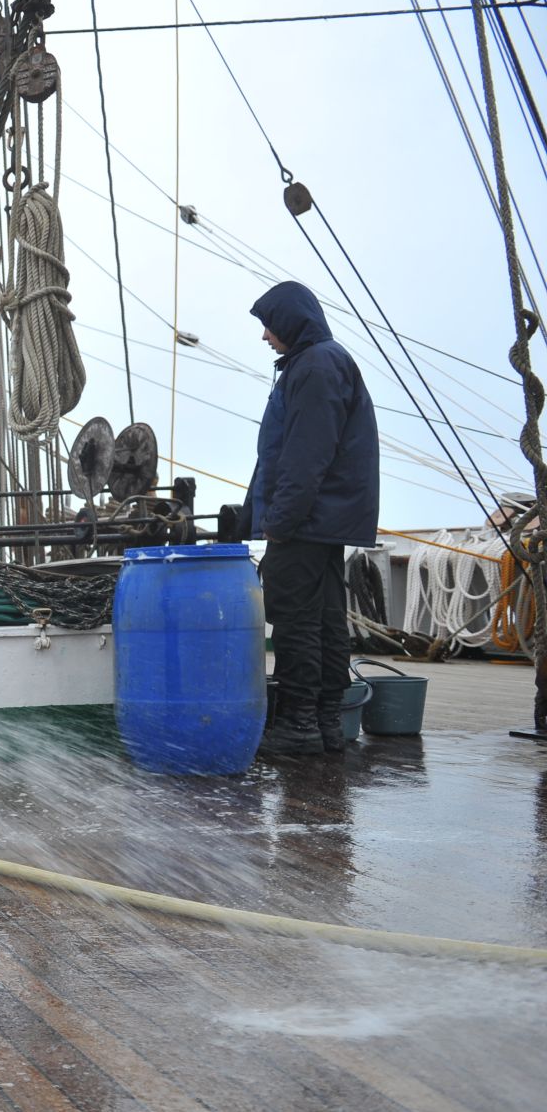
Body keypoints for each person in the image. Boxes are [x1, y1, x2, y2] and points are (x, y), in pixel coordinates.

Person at [246, 279, 380, 756]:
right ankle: (325, 725)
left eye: (268, 325)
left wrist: (280, 523)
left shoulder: (315, 366)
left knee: (295, 619)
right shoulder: (322, 361)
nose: (265, 336)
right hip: (325, 519)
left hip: (306, 520)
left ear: (289, 322)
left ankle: (299, 726)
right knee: (325, 620)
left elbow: (306, 456)